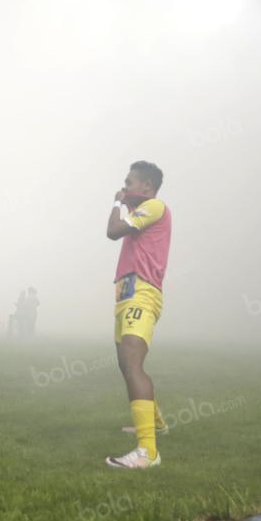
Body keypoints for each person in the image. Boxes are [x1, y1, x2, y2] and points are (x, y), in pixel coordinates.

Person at [104, 161, 172, 469]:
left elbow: (112, 231)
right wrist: (125, 202)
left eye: (130, 182)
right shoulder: (141, 213)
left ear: (146, 187)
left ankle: (148, 452)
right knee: (126, 364)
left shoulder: (155, 206)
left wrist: (118, 201)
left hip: (142, 293)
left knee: (133, 364)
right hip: (127, 293)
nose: (125, 185)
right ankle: (155, 423)